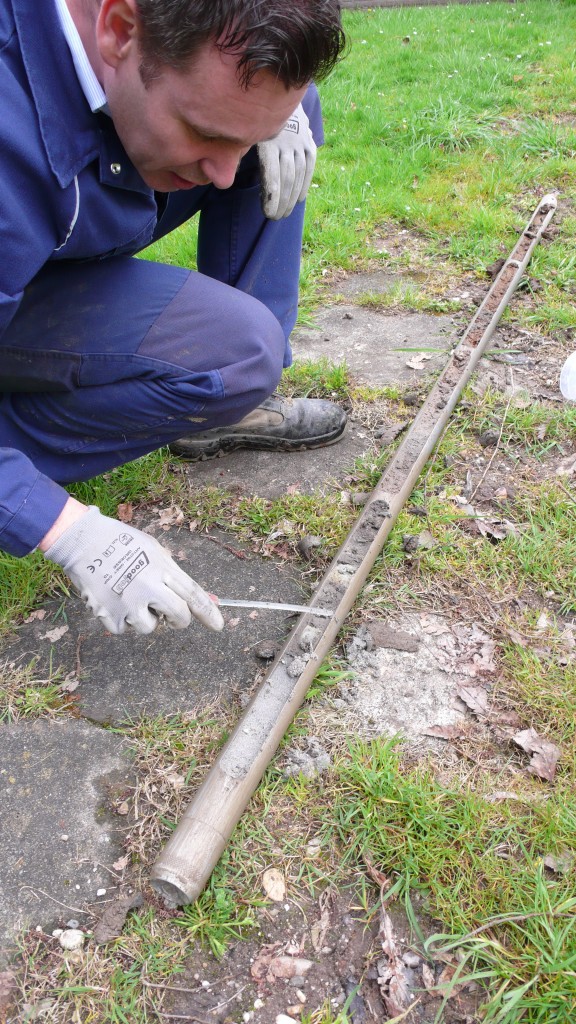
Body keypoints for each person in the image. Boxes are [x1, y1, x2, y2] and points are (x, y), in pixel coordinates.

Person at [0, 0, 347, 635]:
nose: (224, 175)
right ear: (119, 29)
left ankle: (231, 404)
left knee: (242, 354)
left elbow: (233, 120)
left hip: (52, 245)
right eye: (207, 134)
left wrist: (268, 122)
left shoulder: (171, 64)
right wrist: (61, 527)